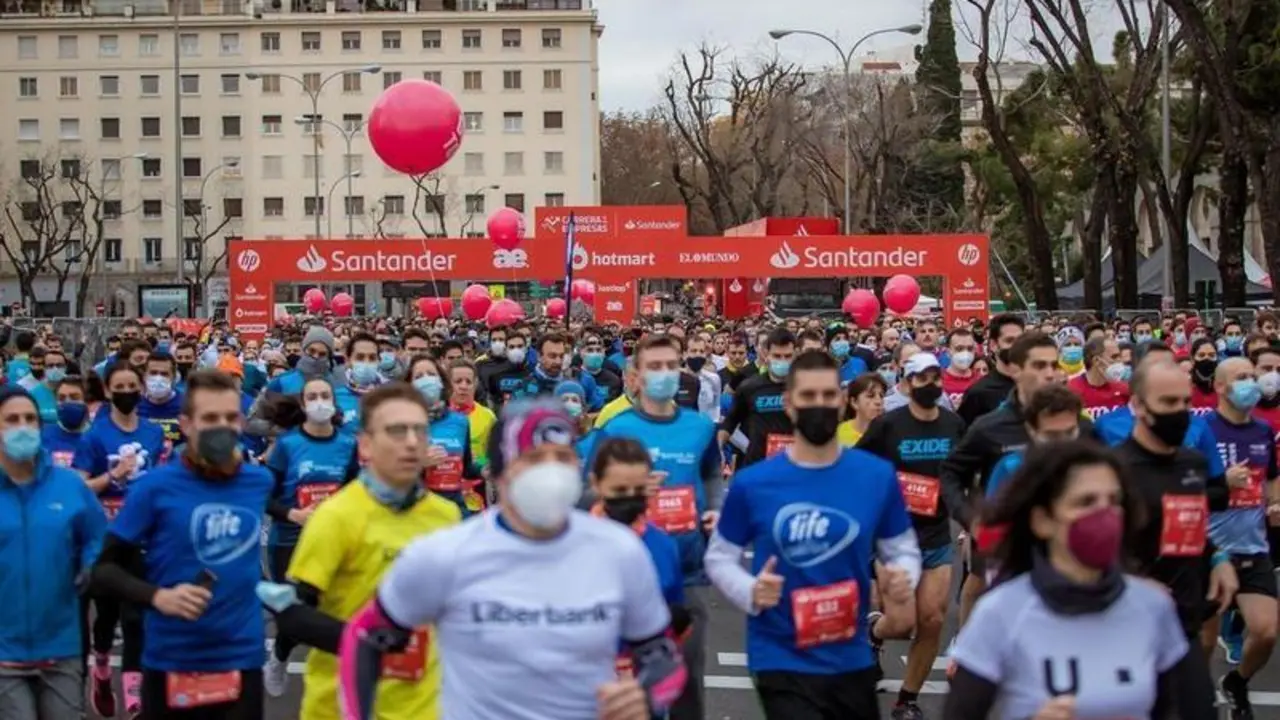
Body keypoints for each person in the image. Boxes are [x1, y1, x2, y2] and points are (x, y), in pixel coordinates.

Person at [338, 398, 687, 720]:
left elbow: (662, 654)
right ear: (500, 472)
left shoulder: (619, 550)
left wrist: (646, 696)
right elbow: (364, 637)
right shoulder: (446, 555)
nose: (552, 473)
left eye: (562, 458)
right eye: (534, 460)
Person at [705, 350, 919, 719]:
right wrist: (750, 591)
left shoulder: (876, 476)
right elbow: (720, 557)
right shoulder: (754, 483)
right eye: (808, 396)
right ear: (789, 404)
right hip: (780, 653)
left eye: (827, 395)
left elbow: (902, 548)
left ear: (841, 401)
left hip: (849, 653)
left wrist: (903, 576)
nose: (818, 405)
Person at [944, 441, 1218, 719]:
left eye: (1114, 501)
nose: (1104, 514)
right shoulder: (1000, 613)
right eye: (1086, 502)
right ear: (1042, 520)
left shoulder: (1152, 607)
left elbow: (1176, 709)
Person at [258, 382, 463, 720]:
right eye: (396, 431)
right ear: (366, 444)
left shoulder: (447, 515)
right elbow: (295, 617)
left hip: (420, 707)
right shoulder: (336, 516)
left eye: (419, 430)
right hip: (341, 706)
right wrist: (367, 640)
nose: (411, 441)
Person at [91, 370, 275, 720]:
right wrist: (158, 597)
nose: (221, 427)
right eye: (210, 418)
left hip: (242, 657)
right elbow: (103, 570)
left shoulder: (258, 482)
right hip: (173, 660)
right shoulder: (154, 488)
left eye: (230, 417)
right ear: (186, 425)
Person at [590, 334, 723, 720]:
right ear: (636, 375)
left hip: (688, 569)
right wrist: (628, 492)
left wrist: (715, 509)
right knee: (628, 677)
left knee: (685, 680)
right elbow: (587, 490)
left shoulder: (700, 426)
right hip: (627, 570)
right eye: (655, 366)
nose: (664, 373)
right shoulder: (615, 428)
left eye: (671, 365)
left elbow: (712, 474)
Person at [857, 352, 966, 720]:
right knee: (902, 623)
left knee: (933, 619)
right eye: (922, 378)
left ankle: (907, 700)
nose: (930, 384)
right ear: (907, 382)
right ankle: (875, 632)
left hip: (936, 535)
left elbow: (966, 470)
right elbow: (858, 466)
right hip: (894, 536)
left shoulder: (953, 424)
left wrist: (968, 512)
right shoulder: (889, 425)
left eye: (935, 377)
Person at [939, 331, 1068, 631]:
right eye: (1039, 366)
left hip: (1061, 545)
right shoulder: (990, 426)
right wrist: (970, 518)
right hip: (1003, 546)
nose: (1049, 374)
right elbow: (951, 472)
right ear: (1016, 369)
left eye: (1054, 365)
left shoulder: (1074, 422)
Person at [0, 386, 107, 720]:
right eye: (11, 420)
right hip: (4, 651)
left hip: (61, 645)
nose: (22, 427)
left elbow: (97, 537)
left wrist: (90, 566)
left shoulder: (69, 485)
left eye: (30, 419)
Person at [74, 362, 168, 718]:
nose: (127, 392)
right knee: (107, 615)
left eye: (132, 386)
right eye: (120, 387)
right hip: (105, 537)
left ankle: (134, 696)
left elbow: (159, 478)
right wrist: (113, 476)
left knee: (134, 617)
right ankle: (101, 667)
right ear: (108, 391)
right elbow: (80, 487)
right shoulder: (94, 436)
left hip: (141, 539)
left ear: (140, 389)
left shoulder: (153, 433)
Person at [261, 376, 360, 696]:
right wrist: (293, 514)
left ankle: (338, 683)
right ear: (303, 405)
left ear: (334, 402)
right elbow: (264, 495)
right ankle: (279, 656)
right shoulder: (288, 445)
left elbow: (355, 491)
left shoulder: (348, 444)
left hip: (333, 541)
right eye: (312, 397)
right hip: (289, 541)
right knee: (295, 611)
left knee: (327, 609)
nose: (320, 402)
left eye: (325, 395)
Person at [1203, 357, 1279, 717]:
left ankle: (1237, 680)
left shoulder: (1263, 430)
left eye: (1253, 375)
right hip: (1208, 549)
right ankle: (1196, 698)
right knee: (1204, 642)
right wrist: (1222, 483)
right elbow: (1184, 488)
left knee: (1266, 632)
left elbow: (1272, 477)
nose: (1252, 382)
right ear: (1220, 387)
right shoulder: (1201, 431)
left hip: (1253, 547)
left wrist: (1275, 502)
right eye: (1241, 377)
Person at [409, 355, 485, 515]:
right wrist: (419, 464)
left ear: (441, 381)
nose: (427, 380)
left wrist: (485, 469)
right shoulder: (402, 421)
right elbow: (386, 473)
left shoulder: (460, 421)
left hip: (454, 507)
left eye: (431, 374)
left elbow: (467, 467)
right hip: (417, 510)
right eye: (419, 377)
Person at [719, 328, 796, 466]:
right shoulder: (750, 387)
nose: (782, 361)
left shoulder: (805, 388)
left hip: (795, 464)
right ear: (767, 355)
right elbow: (730, 421)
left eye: (788, 356)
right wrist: (718, 449)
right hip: (757, 463)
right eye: (777, 356)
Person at [957, 314, 1025, 426]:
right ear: (993, 345)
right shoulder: (978, 393)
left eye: (1020, 340)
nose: (1016, 346)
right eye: (1009, 341)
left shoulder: (1035, 386)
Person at [447, 360, 497, 473]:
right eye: (458, 381)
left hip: (477, 479)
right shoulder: (438, 416)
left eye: (468, 382)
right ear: (447, 384)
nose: (463, 386)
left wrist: (479, 461)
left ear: (475, 384)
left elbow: (494, 458)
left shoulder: (488, 416)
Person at [1067, 336, 1130, 419]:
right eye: (1114, 357)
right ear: (1096, 360)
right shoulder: (1071, 390)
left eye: (1120, 356)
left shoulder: (1124, 389)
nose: (1119, 361)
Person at [43, 375, 90, 468]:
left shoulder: (96, 436)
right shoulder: (43, 436)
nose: (67, 402)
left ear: (86, 401)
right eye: (61, 398)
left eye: (74, 398)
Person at [837, 373, 888, 447]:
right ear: (854, 402)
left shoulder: (890, 434)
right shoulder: (837, 435)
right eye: (870, 396)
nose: (878, 401)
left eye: (881, 396)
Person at [939, 329, 979, 408]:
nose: (966, 353)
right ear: (948, 352)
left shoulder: (980, 380)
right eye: (959, 349)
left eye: (970, 348)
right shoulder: (938, 381)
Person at [1190, 338, 1219, 412]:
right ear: (1192, 359)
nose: (1207, 358)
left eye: (1211, 355)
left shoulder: (1223, 388)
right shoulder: (1184, 388)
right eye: (1201, 355)